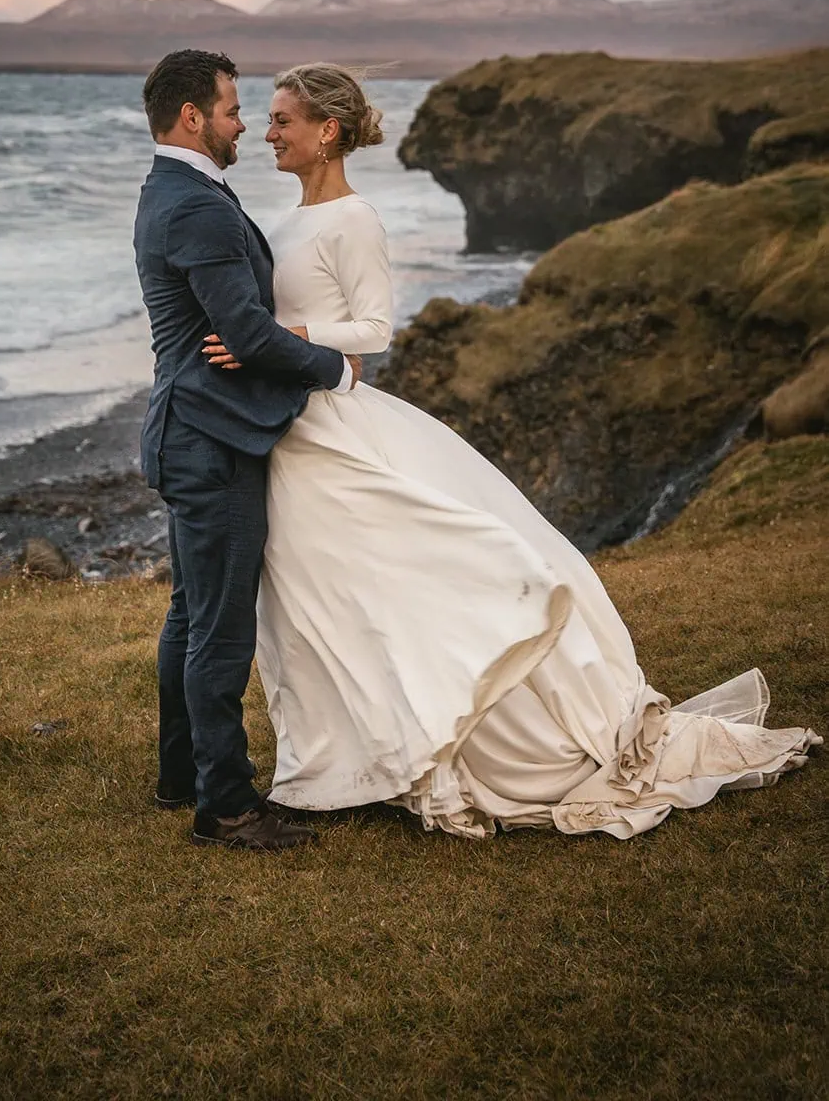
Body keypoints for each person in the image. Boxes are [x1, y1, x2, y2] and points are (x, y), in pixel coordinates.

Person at [201, 63, 820, 839]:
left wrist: (286, 338)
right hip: (287, 429)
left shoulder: (354, 220)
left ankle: (442, 743)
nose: (267, 133)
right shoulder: (281, 221)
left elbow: (373, 332)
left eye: (282, 120)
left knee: (383, 586)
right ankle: (344, 753)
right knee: (319, 602)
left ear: (327, 130)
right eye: (263, 119)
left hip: (331, 422)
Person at [133, 49, 364, 852]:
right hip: (212, 438)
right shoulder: (193, 202)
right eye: (232, 109)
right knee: (220, 631)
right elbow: (243, 333)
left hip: (186, 428)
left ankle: (180, 777)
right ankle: (224, 807)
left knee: (190, 615)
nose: (243, 124)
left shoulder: (173, 187)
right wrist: (333, 365)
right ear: (192, 117)